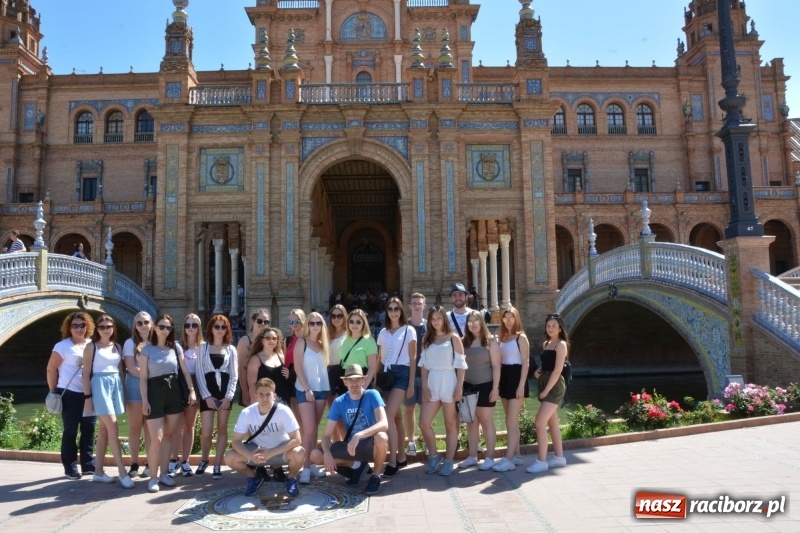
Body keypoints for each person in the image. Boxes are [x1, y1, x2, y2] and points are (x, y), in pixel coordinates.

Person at [309, 365, 388, 495]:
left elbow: (384, 424)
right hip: (352, 448)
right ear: (344, 382)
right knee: (315, 455)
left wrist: (359, 435)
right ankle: (357, 466)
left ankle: (376, 476)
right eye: (350, 380)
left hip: (371, 445)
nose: (354, 383)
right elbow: (327, 435)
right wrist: (328, 454)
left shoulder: (372, 394)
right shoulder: (339, 402)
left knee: (382, 437)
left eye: (357, 379)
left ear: (363, 381)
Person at [140, 314, 197, 493]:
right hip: (154, 392)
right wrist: (145, 401)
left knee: (169, 436)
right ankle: (153, 477)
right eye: (162, 327)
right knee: (156, 438)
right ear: (155, 328)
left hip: (173, 392)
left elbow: (185, 371)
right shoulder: (147, 350)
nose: (165, 331)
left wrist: (192, 390)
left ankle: (164, 473)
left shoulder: (176, 348)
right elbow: (142, 379)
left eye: (169, 328)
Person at [225, 378, 305, 498]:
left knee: (299, 452)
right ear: (255, 396)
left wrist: (271, 453)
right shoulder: (246, 413)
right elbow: (236, 441)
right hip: (257, 451)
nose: (264, 398)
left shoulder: (284, 411)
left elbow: (297, 440)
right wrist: (249, 455)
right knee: (229, 457)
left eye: (268, 394)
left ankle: (291, 479)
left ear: (274, 396)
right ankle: (254, 478)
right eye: (261, 394)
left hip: (279, 451)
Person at [81, 314, 133, 488]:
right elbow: (85, 373)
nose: (106, 330)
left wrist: (124, 394)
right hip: (99, 386)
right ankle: (122, 471)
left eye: (109, 326)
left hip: (115, 386)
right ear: (97, 329)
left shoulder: (117, 347)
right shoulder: (91, 347)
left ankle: (98, 472)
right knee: (113, 426)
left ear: (113, 328)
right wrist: (87, 398)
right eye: (102, 327)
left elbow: (121, 371)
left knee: (104, 432)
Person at [46, 312, 97, 479]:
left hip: (89, 394)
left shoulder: (91, 344)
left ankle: (88, 464)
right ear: (69, 327)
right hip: (70, 394)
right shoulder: (63, 346)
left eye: (82, 325)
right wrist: (54, 391)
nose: (79, 329)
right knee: (70, 431)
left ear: (87, 326)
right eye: (75, 325)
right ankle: (70, 466)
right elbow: (51, 369)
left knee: (88, 429)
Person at [419, 306, 467, 476]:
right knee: (424, 423)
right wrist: (425, 386)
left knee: (451, 424)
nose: (436, 321)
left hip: (449, 380)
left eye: (439, 318)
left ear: (444, 319)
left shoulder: (453, 338)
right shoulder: (427, 339)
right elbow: (424, 366)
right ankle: (434, 455)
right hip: (432, 382)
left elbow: (461, 365)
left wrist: (459, 388)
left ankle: (448, 460)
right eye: (433, 319)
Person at [376, 297, 416, 477]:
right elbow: (379, 358)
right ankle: (401, 457)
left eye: (396, 309)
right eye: (390, 309)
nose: (393, 312)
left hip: (402, 374)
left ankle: (391, 461)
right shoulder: (383, 332)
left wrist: (411, 384)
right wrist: (374, 381)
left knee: (389, 415)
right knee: (397, 418)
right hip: (385, 375)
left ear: (401, 311)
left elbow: (413, 358)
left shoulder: (409, 331)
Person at [196, 315, 238, 479]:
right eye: (217, 326)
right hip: (209, 392)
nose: (220, 330)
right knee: (206, 432)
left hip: (225, 392)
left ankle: (218, 463)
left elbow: (234, 376)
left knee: (222, 429)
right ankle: (204, 459)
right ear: (211, 328)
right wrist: (206, 396)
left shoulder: (231, 349)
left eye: (223, 327)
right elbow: (199, 373)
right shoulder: (203, 348)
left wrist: (228, 397)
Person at [458, 310, 501, 471]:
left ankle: (490, 457)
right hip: (468, 387)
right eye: (470, 322)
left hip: (486, 385)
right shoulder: (464, 342)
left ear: (481, 323)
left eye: (476, 321)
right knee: (471, 423)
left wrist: (495, 388)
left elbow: (497, 366)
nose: (473, 324)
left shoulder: (490, 341)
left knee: (486, 421)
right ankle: (472, 456)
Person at [527, 313, 569, 474]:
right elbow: (547, 365)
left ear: (560, 328)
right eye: (548, 326)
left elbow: (558, 370)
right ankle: (559, 457)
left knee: (539, 422)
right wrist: (538, 372)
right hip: (544, 381)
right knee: (552, 423)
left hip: (555, 386)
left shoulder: (561, 345)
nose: (550, 328)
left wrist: (545, 390)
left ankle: (541, 461)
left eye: (554, 326)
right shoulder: (546, 343)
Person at [293, 310, 330, 484]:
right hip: (304, 389)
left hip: (322, 389)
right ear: (307, 325)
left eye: (319, 323)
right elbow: (298, 368)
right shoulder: (302, 342)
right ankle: (305, 467)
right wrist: (307, 389)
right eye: (312, 323)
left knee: (315, 429)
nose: (315, 326)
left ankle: (312, 465)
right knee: (308, 430)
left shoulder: (324, 345)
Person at [493, 306, 530, 472]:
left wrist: (522, 385)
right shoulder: (503, 337)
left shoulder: (521, 337)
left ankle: (508, 459)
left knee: (511, 420)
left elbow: (526, 362)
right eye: (505, 318)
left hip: (517, 377)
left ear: (516, 319)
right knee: (510, 420)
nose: (508, 321)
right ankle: (517, 455)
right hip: (505, 376)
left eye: (511, 318)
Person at [169, 313, 203, 478]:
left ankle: (185, 461)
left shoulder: (203, 346)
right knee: (175, 425)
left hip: (194, 385)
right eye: (187, 325)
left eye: (194, 325)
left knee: (189, 425)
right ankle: (173, 459)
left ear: (199, 328)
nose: (190, 328)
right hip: (178, 384)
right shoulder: (176, 345)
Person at [122, 311, 153, 478]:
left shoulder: (156, 342)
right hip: (135, 385)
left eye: (146, 322)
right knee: (135, 426)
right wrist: (149, 373)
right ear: (135, 325)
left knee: (149, 427)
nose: (143, 326)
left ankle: (150, 462)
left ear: (151, 324)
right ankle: (134, 463)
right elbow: (131, 367)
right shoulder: (130, 342)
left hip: (152, 386)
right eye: (139, 323)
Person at [403, 292, 426, 456]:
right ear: (410, 306)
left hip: (426, 376)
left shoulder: (430, 326)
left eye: (420, 303)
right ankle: (411, 442)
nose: (417, 306)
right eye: (414, 303)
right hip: (409, 376)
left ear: (424, 306)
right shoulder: (405, 327)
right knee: (409, 409)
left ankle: (425, 440)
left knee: (426, 410)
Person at [236, 310, 270, 406]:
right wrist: (245, 391)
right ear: (253, 321)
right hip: (252, 387)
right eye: (259, 321)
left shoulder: (270, 340)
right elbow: (241, 368)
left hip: (268, 387)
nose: (263, 324)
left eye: (266, 322)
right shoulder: (245, 341)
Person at [338, 309, 379, 386]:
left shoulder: (369, 341)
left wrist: (363, 388)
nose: (354, 324)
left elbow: (372, 368)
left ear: (363, 323)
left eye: (358, 322)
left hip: (361, 380)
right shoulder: (344, 340)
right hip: (345, 380)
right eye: (351, 321)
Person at [285, 309, 306, 423]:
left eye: (297, 321)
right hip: (290, 380)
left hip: (303, 378)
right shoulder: (287, 341)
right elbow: (285, 361)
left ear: (302, 321)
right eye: (291, 322)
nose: (294, 324)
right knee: (295, 417)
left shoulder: (307, 340)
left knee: (305, 418)